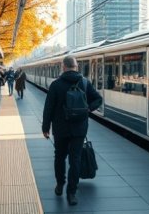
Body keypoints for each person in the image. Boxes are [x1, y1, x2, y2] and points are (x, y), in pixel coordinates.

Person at [42, 56, 102, 206]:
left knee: (59, 157)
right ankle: (72, 193)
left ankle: (60, 185)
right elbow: (98, 99)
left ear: (63, 67)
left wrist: (45, 127)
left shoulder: (56, 85)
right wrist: (88, 109)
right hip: (79, 128)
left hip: (60, 128)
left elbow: (48, 108)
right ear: (76, 67)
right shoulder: (84, 82)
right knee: (75, 159)